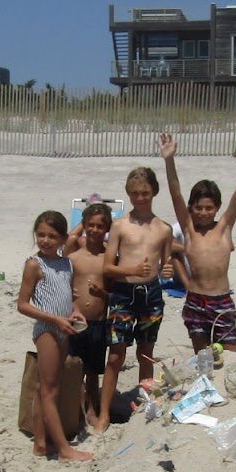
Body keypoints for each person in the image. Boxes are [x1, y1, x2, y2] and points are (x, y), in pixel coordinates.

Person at [160, 130, 236, 355]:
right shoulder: (189, 231)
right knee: (204, 359)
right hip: (195, 302)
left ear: (217, 208)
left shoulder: (224, 229)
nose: (203, 213)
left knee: (230, 358)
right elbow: (176, 194)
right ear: (191, 208)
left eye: (209, 208)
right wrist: (169, 159)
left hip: (222, 302)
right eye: (198, 208)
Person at [97, 165, 174, 431]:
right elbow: (107, 267)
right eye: (134, 193)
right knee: (116, 356)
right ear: (128, 194)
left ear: (154, 192)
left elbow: (166, 264)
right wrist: (131, 270)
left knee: (146, 354)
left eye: (145, 193)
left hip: (150, 294)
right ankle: (104, 413)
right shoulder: (119, 226)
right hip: (123, 293)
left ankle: (143, 408)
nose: (140, 198)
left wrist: (167, 269)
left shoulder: (163, 229)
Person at [16, 211, 92, 462]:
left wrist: (76, 311)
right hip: (47, 331)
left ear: (62, 239)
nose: (46, 240)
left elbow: (69, 298)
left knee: (45, 389)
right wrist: (55, 319)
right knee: (50, 391)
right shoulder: (34, 265)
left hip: (64, 329)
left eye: (52, 236)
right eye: (41, 235)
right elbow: (23, 305)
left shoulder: (66, 263)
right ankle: (64, 449)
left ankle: (40, 443)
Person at [63, 201, 114, 427]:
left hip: (98, 321)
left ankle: (91, 407)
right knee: (74, 368)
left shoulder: (109, 258)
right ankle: (75, 406)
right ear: (83, 225)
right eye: (89, 225)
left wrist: (101, 292)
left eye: (100, 226)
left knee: (93, 370)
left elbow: (115, 293)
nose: (94, 230)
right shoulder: (73, 256)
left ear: (107, 229)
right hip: (74, 320)